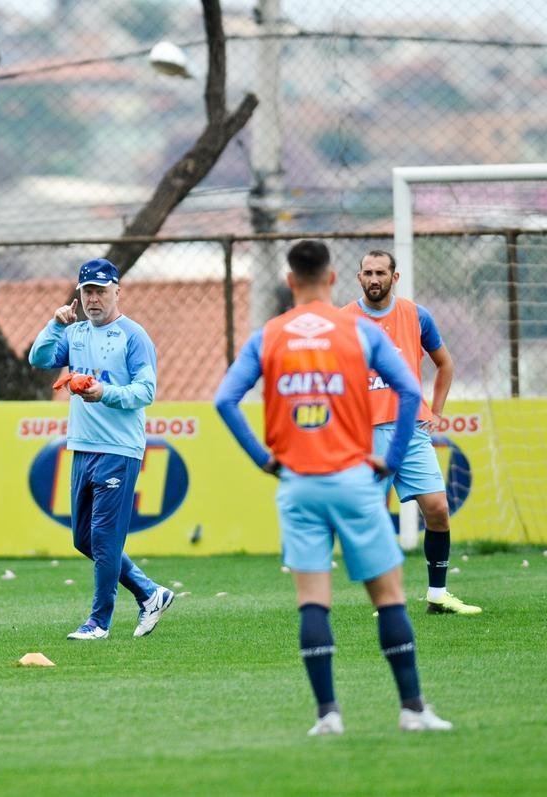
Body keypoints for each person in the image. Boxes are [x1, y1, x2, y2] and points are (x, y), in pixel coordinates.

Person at [215, 240, 452, 735]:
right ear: (331, 280)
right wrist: (387, 459)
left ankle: (328, 717)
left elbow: (225, 401)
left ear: (289, 281)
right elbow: (410, 389)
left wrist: (264, 459)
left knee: (313, 600)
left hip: (297, 484)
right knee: (387, 596)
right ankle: (412, 709)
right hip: (353, 480)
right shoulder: (357, 329)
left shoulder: (269, 335)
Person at [28, 258, 174, 640]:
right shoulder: (74, 333)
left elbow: (146, 391)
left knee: (106, 540)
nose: (93, 299)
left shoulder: (133, 336)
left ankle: (99, 622)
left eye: (100, 291)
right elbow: (39, 359)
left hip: (119, 448)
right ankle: (150, 593)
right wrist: (54, 324)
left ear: (116, 292)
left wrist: (104, 392)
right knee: (83, 539)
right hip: (82, 446)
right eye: (87, 292)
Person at [342, 250, 480, 615]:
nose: (374, 279)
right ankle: (384, 599)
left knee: (437, 510)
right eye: (368, 272)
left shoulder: (416, 316)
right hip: (365, 435)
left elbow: (445, 363)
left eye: (381, 273)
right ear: (359, 278)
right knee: (372, 517)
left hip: (412, 430)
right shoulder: (342, 321)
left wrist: (435, 411)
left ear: (394, 277)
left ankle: (437, 594)